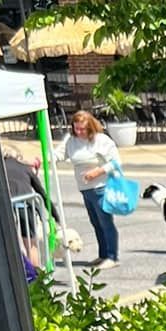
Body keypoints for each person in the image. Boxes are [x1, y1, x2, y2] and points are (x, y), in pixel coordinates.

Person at [60, 109, 120, 268]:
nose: (79, 132)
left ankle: (112, 256)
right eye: (76, 128)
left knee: (105, 222)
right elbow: (59, 154)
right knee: (96, 222)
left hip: (101, 187)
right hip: (85, 189)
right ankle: (103, 254)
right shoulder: (71, 141)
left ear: (91, 127)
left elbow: (115, 163)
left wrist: (97, 172)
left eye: (83, 129)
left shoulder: (101, 140)